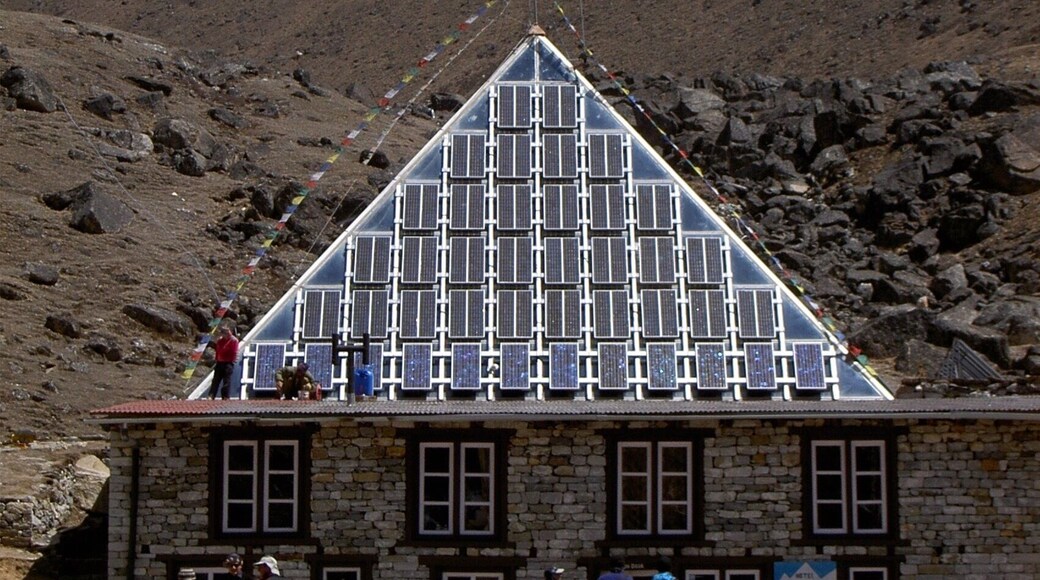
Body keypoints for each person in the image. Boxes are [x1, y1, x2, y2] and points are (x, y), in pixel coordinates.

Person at [208, 325, 239, 399]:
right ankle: (211, 395)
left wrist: (232, 360)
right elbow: (218, 350)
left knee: (226, 381)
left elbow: (234, 352)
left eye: (227, 331)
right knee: (216, 380)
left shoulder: (234, 340)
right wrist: (217, 359)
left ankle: (225, 396)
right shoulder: (220, 340)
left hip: (228, 363)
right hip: (219, 362)